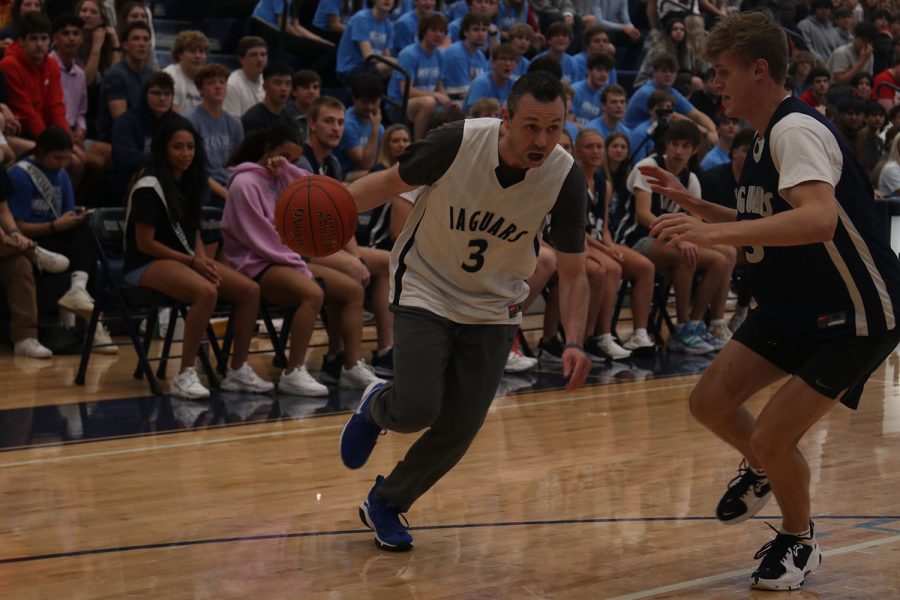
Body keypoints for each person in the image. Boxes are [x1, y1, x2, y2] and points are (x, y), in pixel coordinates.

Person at [644, 11, 900, 591]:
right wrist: (700, 210)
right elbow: (767, 218)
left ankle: (798, 539)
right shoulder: (764, 134)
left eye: (724, 70)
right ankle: (764, 469)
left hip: (856, 313)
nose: (716, 82)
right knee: (708, 403)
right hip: (796, 303)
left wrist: (715, 236)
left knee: (771, 436)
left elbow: (817, 219)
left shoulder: (794, 131)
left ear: (760, 70)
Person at [338, 71, 592, 551]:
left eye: (554, 128)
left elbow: (575, 272)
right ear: (505, 119)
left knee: (461, 424)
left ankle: (387, 501)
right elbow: (387, 184)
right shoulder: (457, 141)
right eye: (531, 126)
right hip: (427, 285)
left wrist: (575, 341)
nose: (542, 140)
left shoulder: (565, 175)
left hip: (494, 303)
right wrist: (331, 206)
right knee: (416, 409)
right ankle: (377, 407)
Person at [123, 119, 274, 399]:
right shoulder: (149, 184)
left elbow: (193, 231)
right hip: (145, 262)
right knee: (205, 292)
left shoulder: (191, 180)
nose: (185, 153)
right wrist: (192, 263)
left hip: (184, 259)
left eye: (190, 147)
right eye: (177, 147)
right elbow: (145, 243)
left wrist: (203, 260)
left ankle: (237, 370)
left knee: (249, 291)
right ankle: (184, 374)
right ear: (162, 149)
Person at [221, 128, 330, 396]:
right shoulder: (244, 183)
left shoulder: (279, 177)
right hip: (251, 262)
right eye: (284, 156)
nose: (288, 164)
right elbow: (261, 237)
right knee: (312, 294)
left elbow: (312, 190)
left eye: (293, 160)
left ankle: (343, 363)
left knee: (349, 289)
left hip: (278, 258)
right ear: (268, 149)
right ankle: (293, 372)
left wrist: (286, 170)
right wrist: (298, 264)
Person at [616, 120, 735, 354]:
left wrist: (694, 238)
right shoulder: (648, 166)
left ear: (695, 150)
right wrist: (681, 238)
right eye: (675, 144)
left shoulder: (690, 180)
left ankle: (701, 324)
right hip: (636, 238)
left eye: (685, 146)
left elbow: (697, 222)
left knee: (726, 254)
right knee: (685, 254)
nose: (679, 151)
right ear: (667, 145)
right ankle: (681, 330)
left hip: (667, 242)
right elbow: (643, 215)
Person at [8, 125, 115, 352]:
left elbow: (65, 213)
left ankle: (89, 313)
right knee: (82, 246)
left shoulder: (63, 175)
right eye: (57, 158)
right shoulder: (20, 175)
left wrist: (75, 216)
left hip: (55, 235)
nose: (62, 164)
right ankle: (82, 304)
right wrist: (55, 225)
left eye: (66, 159)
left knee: (89, 233)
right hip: (32, 240)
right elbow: (17, 226)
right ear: (40, 152)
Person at [574, 128, 656, 358]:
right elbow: (576, 230)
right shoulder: (572, 181)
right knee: (611, 267)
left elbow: (605, 227)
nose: (596, 151)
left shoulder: (604, 183)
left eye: (599, 146)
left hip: (599, 241)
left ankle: (639, 333)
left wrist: (609, 245)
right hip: (579, 243)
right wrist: (605, 249)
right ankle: (601, 335)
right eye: (589, 147)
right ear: (578, 151)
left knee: (645, 267)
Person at [185, 64, 245, 205]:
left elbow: (241, 162)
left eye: (222, 82)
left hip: (231, 185)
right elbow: (195, 169)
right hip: (203, 187)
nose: (218, 86)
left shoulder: (235, 123)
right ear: (200, 89)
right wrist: (226, 194)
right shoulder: (190, 120)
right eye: (211, 83)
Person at [336, 73, 385, 180]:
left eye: (373, 102)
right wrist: (375, 129)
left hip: (365, 173)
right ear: (354, 99)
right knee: (375, 175)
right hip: (343, 175)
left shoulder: (379, 125)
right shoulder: (347, 123)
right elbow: (366, 164)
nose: (370, 107)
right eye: (365, 102)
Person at [240, 64, 301, 142]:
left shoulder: (291, 120)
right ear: (264, 87)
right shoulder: (253, 119)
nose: (284, 89)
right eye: (278, 83)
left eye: (288, 84)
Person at [462, 42, 517, 115]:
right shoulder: (481, 83)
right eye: (503, 59)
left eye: (512, 60)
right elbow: (472, 114)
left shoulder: (516, 83)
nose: (508, 64)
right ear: (493, 63)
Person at [162, 30, 209, 113]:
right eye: (192, 51)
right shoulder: (169, 76)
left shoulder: (209, 80)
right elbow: (173, 115)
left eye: (201, 51)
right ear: (180, 54)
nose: (198, 56)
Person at [223, 36, 267, 119]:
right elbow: (233, 125)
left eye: (263, 54)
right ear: (241, 59)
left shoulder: (267, 81)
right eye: (253, 55)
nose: (260, 59)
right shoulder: (232, 84)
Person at [283, 69, 320, 143]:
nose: (311, 91)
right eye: (306, 87)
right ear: (294, 91)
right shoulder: (284, 115)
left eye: (315, 87)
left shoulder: (322, 115)